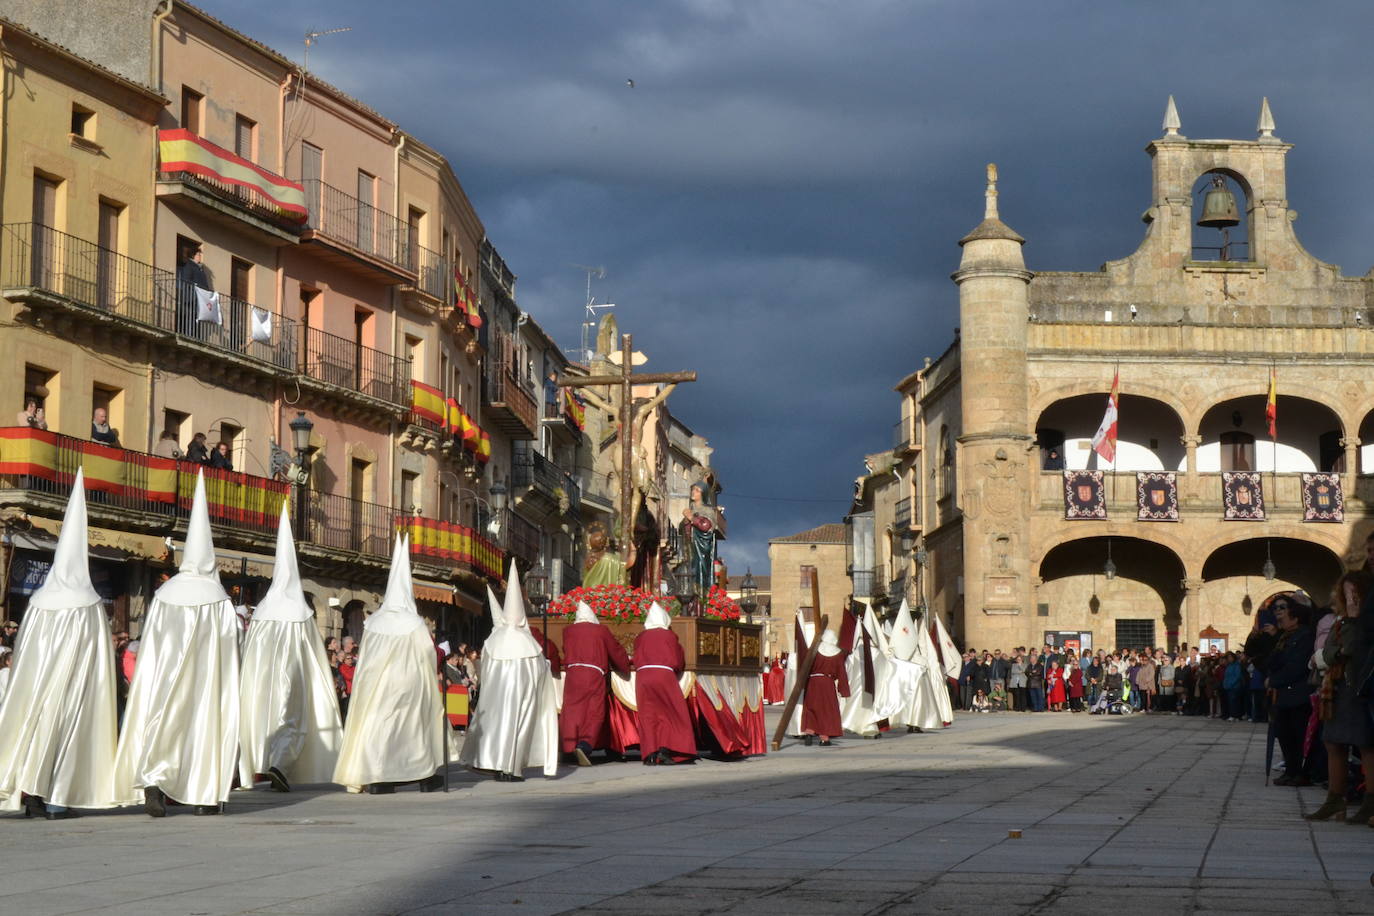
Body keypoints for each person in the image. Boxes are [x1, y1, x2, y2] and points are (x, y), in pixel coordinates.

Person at [113, 470, 240, 817]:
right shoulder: (218, 597)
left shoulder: (166, 592)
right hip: (205, 678)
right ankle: (203, 794)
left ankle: (155, 779)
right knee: (202, 726)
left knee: (163, 723)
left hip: (164, 676)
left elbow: (150, 638)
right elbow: (231, 643)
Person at [0, 470, 118, 819]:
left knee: (35, 728)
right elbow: (99, 659)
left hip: (37, 683)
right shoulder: (90, 604)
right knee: (66, 732)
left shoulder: (37, 601)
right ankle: (56, 798)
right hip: (73, 686)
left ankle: (32, 792)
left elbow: (25, 653)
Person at [238, 508, 343, 793]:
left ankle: (259, 765)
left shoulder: (261, 612)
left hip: (262, 679)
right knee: (293, 717)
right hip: (293, 673)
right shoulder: (302, 612)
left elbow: (250, 654)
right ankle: (280, 764)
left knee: (263, 712)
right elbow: (313, 655)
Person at [333, 536, 446, 794]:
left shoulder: (373, 622)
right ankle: (423, 775)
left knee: (380, 726)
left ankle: (380, 776)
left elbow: (367, 659)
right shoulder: (415, 623)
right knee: (414, 728)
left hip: (379, 683)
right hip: (410, 682)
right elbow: (428, 654)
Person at [458, 565, 559, 780]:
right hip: (521, 695)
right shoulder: (529, 643)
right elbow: (540, 671)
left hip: (495, 694)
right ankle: (511, 767)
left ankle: (493, 761)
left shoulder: (492, 641)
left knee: (496, 723)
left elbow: (483, 668)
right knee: (517, 725)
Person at [1306, 571, 1374, 823]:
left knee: (1366, 744)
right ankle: (1335, 800)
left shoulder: (1361, 622)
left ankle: (1370, 801)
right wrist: (1332, 653)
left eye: (1354, 593)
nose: (1350, 598)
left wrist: (1329, 654)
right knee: (1333, 742)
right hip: (1336, 688)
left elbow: (1351, 649)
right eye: (1346, 593)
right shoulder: (1341, 622)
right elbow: (1335, 649)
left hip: (1357, 686)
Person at [559, 601, 630, 766]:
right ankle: (585, 745)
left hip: (573, 674)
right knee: (594, 711)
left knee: (572, 711)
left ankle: (567, 747)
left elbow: (565, 648)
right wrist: (625, 666)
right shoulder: (600, 630)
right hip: (593, 674)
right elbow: (615, 650)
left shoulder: (567, 631)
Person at [631, 602, 697, 765]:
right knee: (672, 712)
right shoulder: (669, 636)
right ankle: (669, 749)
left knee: (648, 714)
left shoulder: (641, 637)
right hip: (663, 674)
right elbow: (677, 659)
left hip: (643, 676)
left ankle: (650, 753)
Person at [1267, 596, 1316, 787]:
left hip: (1299, 694)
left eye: (1283, 611)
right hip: (1284, 695)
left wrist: (1273, 680)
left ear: (1295, 618)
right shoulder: (1284, 637)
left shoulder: (1304, 636)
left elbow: (1296, 666)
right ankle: (1291, 770)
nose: (1279, 616)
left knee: (1298, 735)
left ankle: (1301, 773)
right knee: (1285, 734)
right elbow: (1272, 662)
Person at [801, 630, 849, 746]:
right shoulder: (837, 653)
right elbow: (841, 672)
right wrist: (844, 689)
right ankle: (824, 738)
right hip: (827, 683)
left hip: (812, 682)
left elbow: (806, 665)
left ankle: (809, 732)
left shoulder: (814, 649)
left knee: (811, 708)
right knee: (826, 710)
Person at [177, 244, 210, 337]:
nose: (200, 257)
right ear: (193, 256)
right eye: (198, 255)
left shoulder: (200, 269)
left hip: (199, 299)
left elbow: (205, 285)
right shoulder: (189, 266)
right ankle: (189, 335)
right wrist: (196, 287)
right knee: (190, 316)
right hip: (191, 297)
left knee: (197, 317)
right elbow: (186, 280)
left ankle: (195, 335)